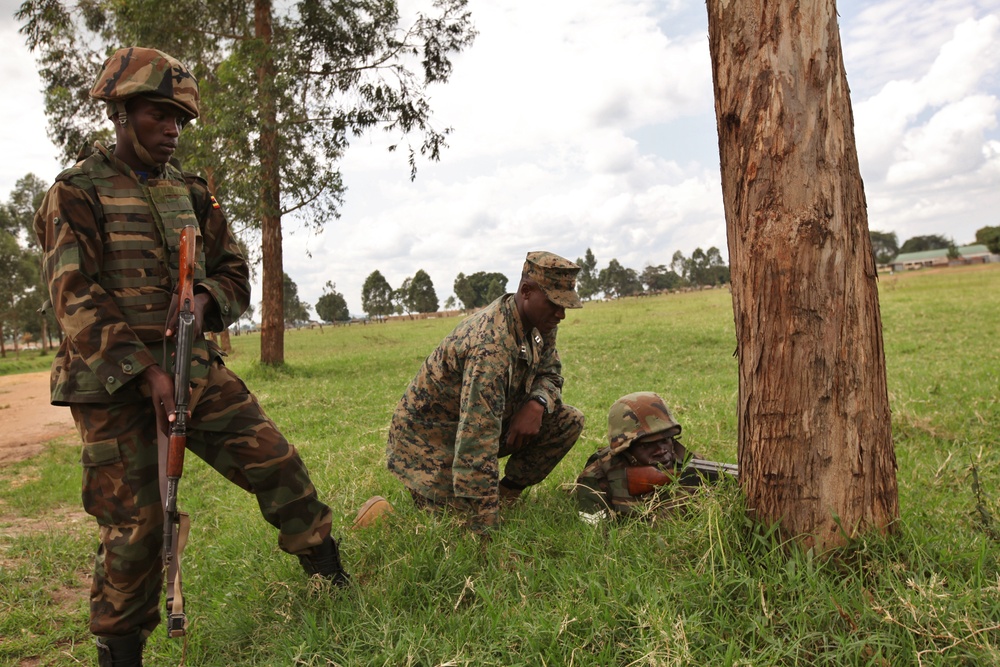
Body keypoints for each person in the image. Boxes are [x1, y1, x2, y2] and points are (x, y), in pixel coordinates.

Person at [32, 47, 347, 666]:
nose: (173, 130)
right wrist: (146, 372)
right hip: (114, 387)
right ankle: (119, 653)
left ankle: (332, 580)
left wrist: (204, 301)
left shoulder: (192, 193)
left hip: (194, 370)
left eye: (181, 119)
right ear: (121, 112)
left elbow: (234, 270)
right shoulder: (74, 194)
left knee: (278, 463)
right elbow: (75, 298)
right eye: (159, 115)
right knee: (138, 528)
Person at [386, 251, 586, 534]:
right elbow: (476, 443)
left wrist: (537, 403)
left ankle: (508, 495)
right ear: (526, 291)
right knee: (452, 527)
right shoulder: (490, 346)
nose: (562, 314)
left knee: (568, 421)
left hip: (478, 428)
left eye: (566, 305)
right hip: (431, 448)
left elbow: (551, 373)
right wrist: (486, 530)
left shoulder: (540, 323)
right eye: (555, 304)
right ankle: (381, 511)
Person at [575, 392, 736, 521]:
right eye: (647, 445)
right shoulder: (596, 477)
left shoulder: (692, 464)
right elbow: (595, 537)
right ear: (626, 448)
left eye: (666, 440)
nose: (662, 450)